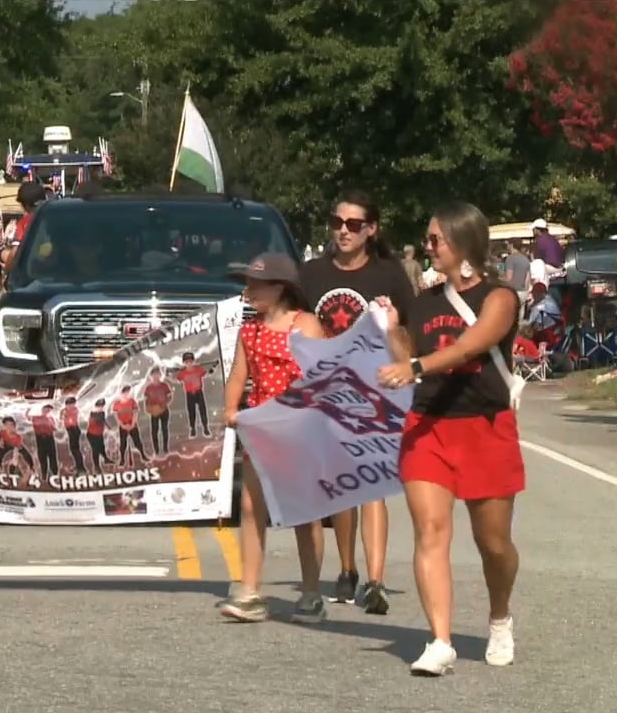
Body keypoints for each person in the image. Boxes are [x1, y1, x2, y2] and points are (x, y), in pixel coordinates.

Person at [375, 202, 524, 676]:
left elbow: (471, 345)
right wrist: (392, 328)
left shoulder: (500, 297)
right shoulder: (425, 300)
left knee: (493, 543)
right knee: (430, 532)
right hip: (428, 425)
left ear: (462, 242)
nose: (428, 246)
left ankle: (499, 617)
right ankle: (440, 640)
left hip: (485, 425)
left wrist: (414, 366)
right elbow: (407, 354)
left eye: (435, 239)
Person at [299, 189, 414, 614]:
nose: (342, 231)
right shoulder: (310, 275)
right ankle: (347, 570)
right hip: (326, 391)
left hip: (375, 390)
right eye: (336, 222)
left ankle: (376, 580)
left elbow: (407, 335)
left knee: (374, 485)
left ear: (370, 230)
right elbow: (295, 329)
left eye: (352, 224)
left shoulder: (389, 275)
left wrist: (394, 333)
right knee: (342, 488)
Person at [220, 252, 328, 624]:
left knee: (304, 512)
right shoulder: (249, 331)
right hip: (260, 429)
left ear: (280, 288)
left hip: (298, 429)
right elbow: (238, 375)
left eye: (255, 285)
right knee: (252, 508)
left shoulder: (307, 325)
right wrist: (230, 408)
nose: (248, 292)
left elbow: (319, 376)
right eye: (246, 285)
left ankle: (311, 592)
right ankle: (250, 590)